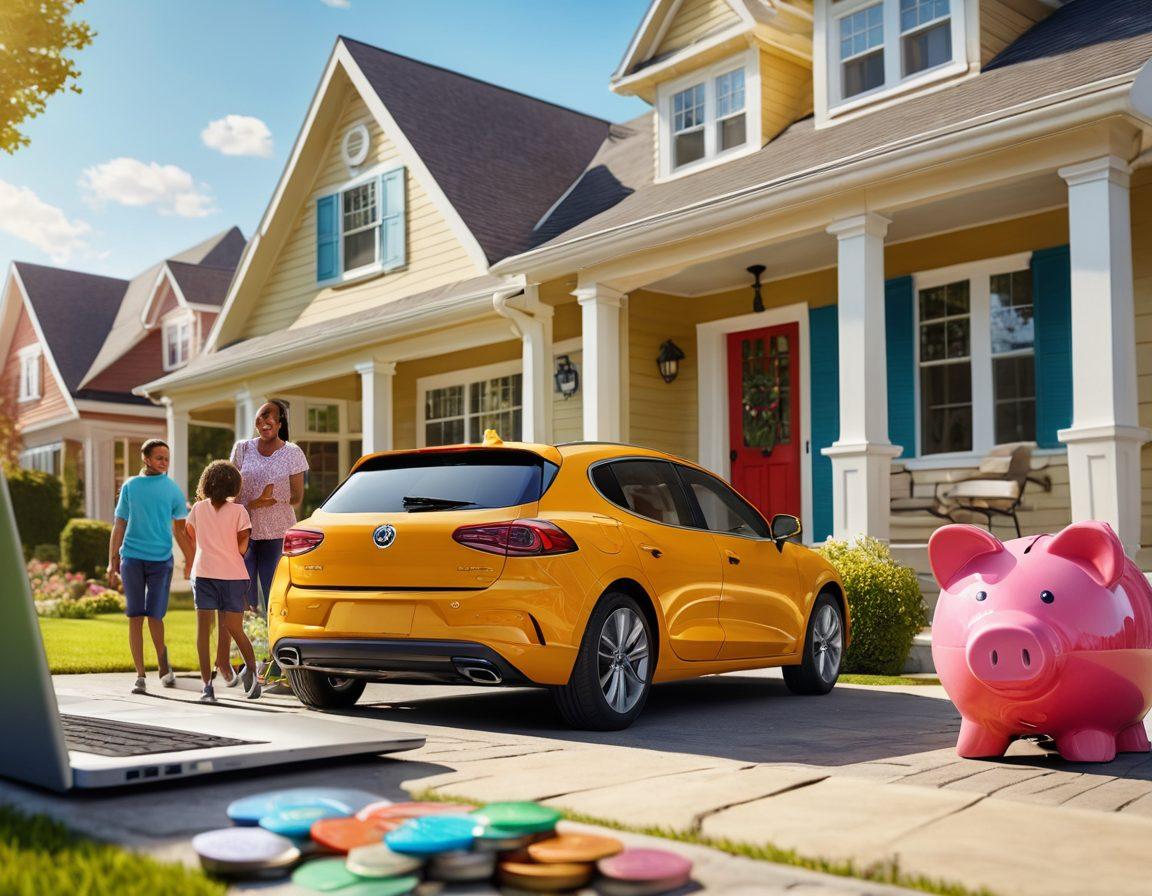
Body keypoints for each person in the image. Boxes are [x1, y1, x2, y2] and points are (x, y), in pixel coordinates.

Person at [222, 399, 308, 684]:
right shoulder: (242, 448)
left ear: (281, 422)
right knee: (244, 598)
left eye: (270, 417)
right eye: (260, 417)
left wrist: (269, 501)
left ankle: (276, 664)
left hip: (277, 534)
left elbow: (296, 497)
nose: (264, 422)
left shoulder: (292, 452)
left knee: (274, 596)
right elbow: (231, 492)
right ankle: (247, 662)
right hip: (245, 533)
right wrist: (251, 503)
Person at [107, 439, 194, 695]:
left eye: (167, 458)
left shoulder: (172, 490)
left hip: (160, 561)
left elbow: (180, 530)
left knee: (155, 616)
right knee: (135, 616)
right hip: (132, 559)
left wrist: (191, 559)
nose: (164, 463)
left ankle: (163, 665)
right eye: (159, 458)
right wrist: (112, 560)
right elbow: (119, 523)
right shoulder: (130, 487)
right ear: (145, 458)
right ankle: (140, 675)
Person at [185, 460, 261, 703]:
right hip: (233, 576)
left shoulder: (197, 509)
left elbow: (192, 535)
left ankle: (207, 686)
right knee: (235, 628)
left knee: (203, 632)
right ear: (234, 486)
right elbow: (242, 547)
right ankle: (252, 672)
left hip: (204, 573)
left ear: (206, 483)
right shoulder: (240, 512)